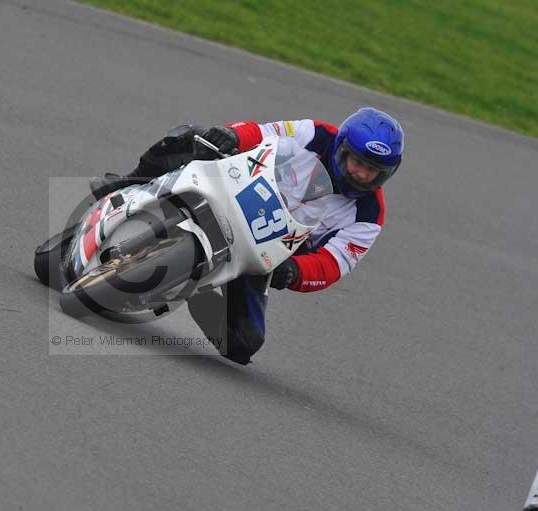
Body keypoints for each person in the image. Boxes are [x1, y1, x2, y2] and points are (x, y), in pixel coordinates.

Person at [89, 107, 404, 365]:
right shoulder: (318, 134)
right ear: (342, 148)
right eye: (358, 162)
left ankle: (195, 290)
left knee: (243, 343)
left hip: (266, 251)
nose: (362, 175)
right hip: (238, 190)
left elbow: (333, 263)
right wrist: (234, 135)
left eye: (373, 171)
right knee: (192, 136)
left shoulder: (369, 216)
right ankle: (130, 182)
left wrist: (295, 272)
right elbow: (267, 132)